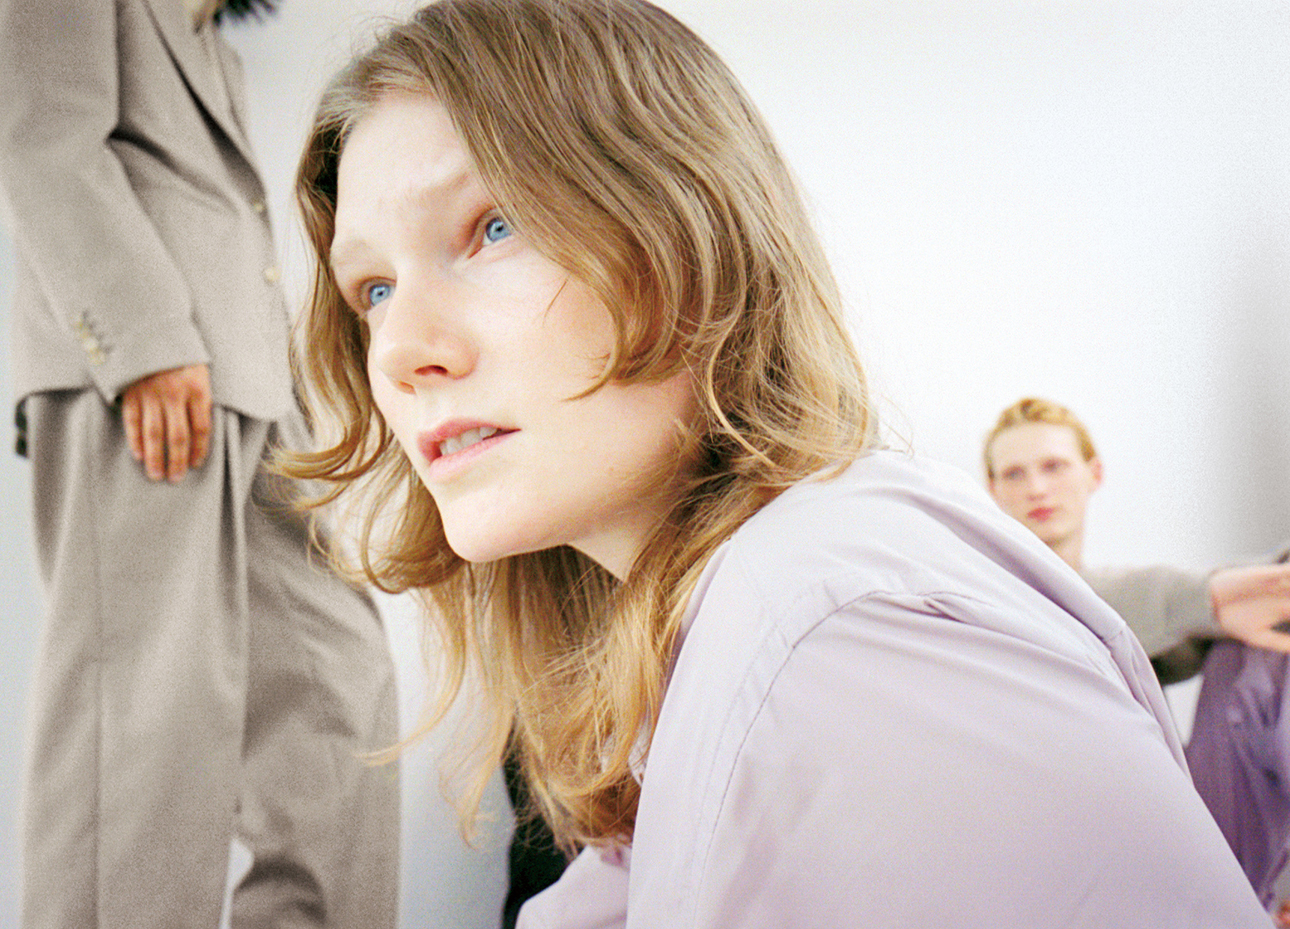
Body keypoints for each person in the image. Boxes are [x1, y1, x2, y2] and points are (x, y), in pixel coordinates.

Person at [286, 1, 1267, 925]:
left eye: (493, 227)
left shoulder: (829, 640)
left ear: (688, 229)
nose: (399, 350)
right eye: (372, 288)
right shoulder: (724, 630)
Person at [0, 1, 400, 926]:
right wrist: (144, 341)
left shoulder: (209, 44)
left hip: (254, 396)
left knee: (342, 687)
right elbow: (45, 141)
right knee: (143, 723)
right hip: (146, 380)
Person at [985, 396, 1290, 919]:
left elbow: (1130, 613)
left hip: (1170, 822)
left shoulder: (1133, 605)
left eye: (1053, 466)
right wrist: (1213, 597)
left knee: (1254, 649)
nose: (1036, 488)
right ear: (992, 491)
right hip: (1081, 840)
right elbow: (1084, 607)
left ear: (1094, 473)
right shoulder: (992, 596)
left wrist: (1238, 595)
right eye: (1014, 474)